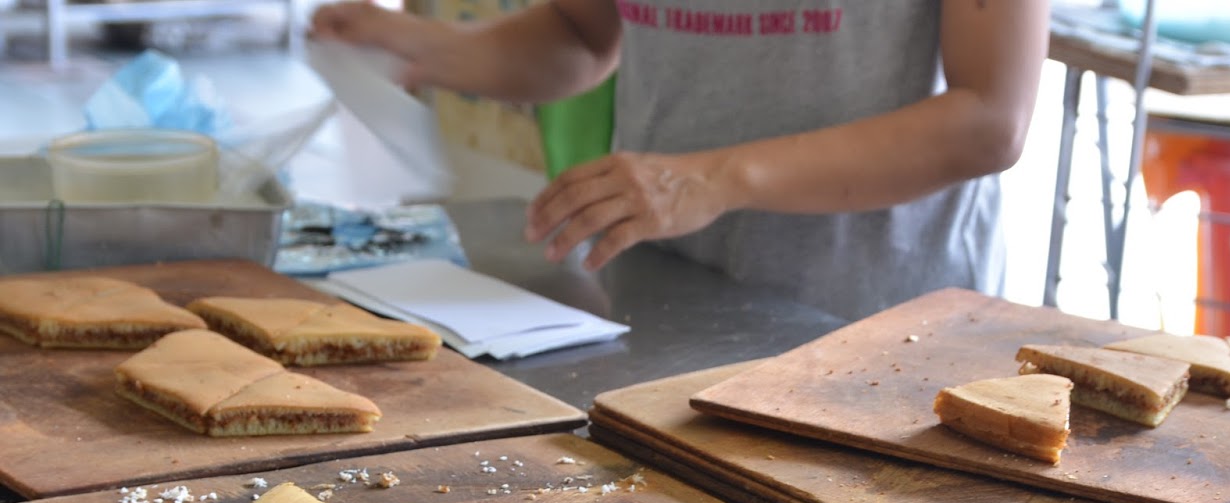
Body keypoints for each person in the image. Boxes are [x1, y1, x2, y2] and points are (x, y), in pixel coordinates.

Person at [311, 0, 1048, 321]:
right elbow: (581, 32)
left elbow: (989, 117)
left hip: (878, 315)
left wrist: (715, 177)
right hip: (676, 300)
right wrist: (432, 50)